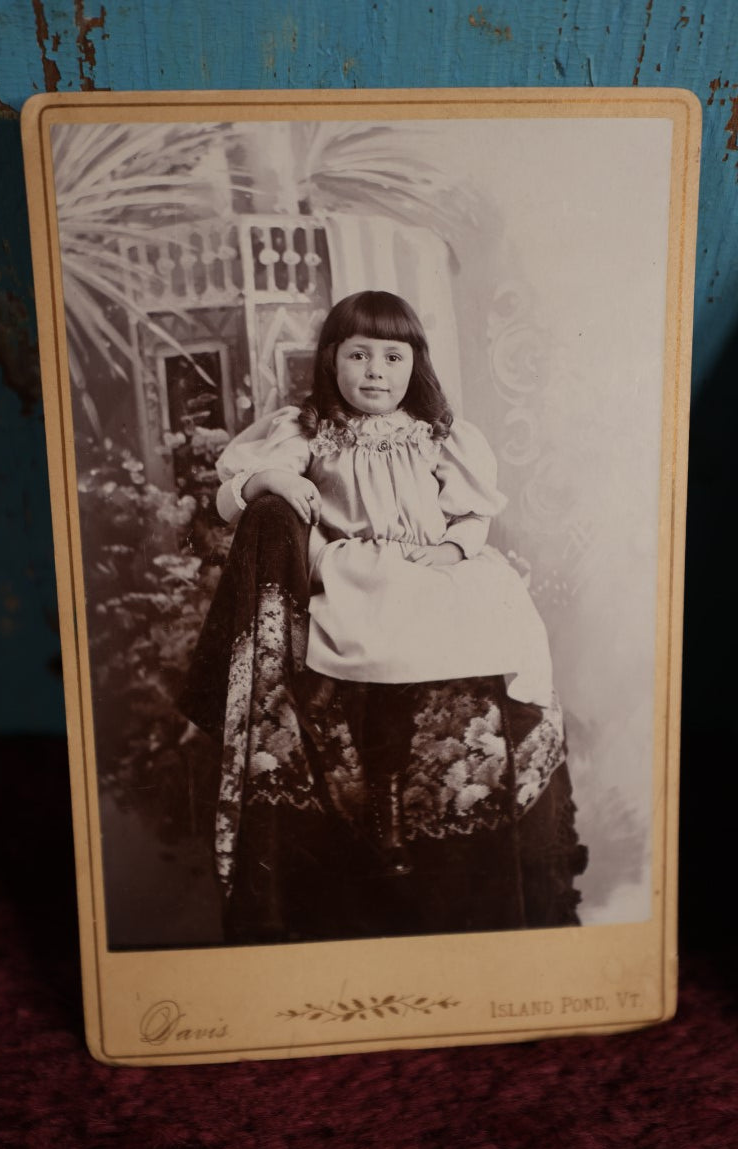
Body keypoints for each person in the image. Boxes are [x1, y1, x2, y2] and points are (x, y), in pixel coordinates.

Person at [181, 291, 586, 944]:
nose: (375, 371)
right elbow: (232, 495)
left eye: (392, 356)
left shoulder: (437, 433)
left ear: (414, 363)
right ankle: (386, 797)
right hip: (355, 567)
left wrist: (451, 549)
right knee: (386, 636)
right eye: (359, 354)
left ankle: (515, 724)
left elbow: (472, 513)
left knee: (502, 608)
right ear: (332, 362)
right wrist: (269, 484)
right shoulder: (310, 428)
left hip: (434, 561)